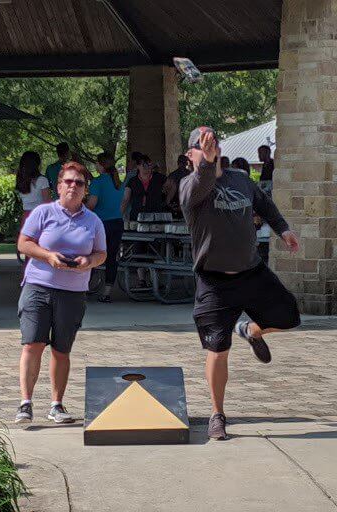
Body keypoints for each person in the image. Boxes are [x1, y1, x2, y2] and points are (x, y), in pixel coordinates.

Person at [179, 126, 300, 441]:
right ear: (190, 155)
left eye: (212, 142)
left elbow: (265, 205)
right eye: (200, 145)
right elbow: (203, 183)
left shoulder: (241, 180)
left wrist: (283, 229)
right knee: (217, 349)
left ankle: (251, 330)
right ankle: (217, 414)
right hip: (214, 282)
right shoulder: (188, 186)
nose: (208, 148)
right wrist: (206, 161)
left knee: (289, 316)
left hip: (252, 272)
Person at [15, 161, 107, 424]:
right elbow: (24, 243)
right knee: (33, 343)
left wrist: (88, 262)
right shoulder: (43, 213)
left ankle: (57, 405)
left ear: (85, 190)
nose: (73, 187)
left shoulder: (93, 221)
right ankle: (25, 403)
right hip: (38, 286)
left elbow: (101, 253)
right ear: (58, 186)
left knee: (61, 349)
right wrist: (48, 256)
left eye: (79, 183)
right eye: (68, 181)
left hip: (73, 292)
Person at [87, 152, 124, 302]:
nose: (95, 165)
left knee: (92, 255)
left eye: (96, 162)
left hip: (101, 223)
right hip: (117, 222)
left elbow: (91, 204)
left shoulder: (97, 182)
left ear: (101, 165)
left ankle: (83, 286)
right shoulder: (118, 183)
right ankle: (107, 292)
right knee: (112, 257)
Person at [121, 154, 168, 222]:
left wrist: (167, 200)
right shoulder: (132, 181)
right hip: (136, 216)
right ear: (138, 166)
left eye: (149, 165)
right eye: (144, 165)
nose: (148, 167)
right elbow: (125, 199)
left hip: (155, 215)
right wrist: (119, 216)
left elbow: (172, 185)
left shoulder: (158, 177)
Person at [16, 151, 51, 223]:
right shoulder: (42, 180)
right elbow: (48, 203)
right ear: (36, 164)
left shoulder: (21, 181)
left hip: (26, 218)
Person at [164, 154, 191, 219]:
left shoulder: (190, 174)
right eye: (181, 162)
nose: (182, 164)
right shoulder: (173, 175)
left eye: (184, 162)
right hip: (175, 203)